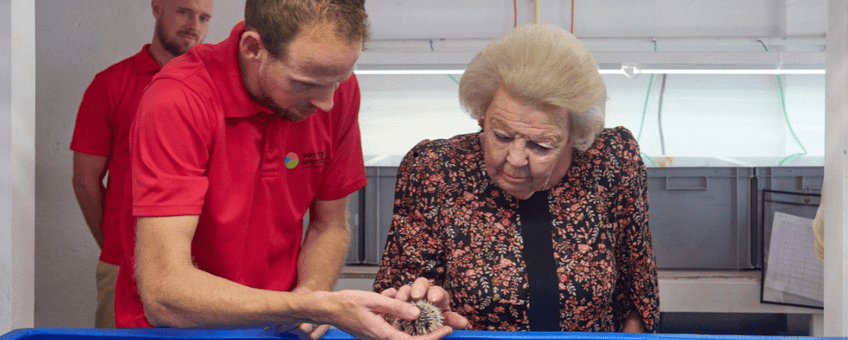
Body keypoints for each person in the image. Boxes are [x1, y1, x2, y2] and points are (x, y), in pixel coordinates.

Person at [115, 0, 467, 338]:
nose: (327, 102)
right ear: (253, 48)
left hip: (280, 325)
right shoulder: (178, 99)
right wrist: (315, 308)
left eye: (339, 80)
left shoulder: (334, 90)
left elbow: (330, 223)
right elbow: (165, 294)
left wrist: (312, 293)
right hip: (176, 331)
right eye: (306, 83)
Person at [374, 24, 660, 332]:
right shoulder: (434, 169)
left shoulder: (612, 160)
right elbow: (397, 305)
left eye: (540, 145)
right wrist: (418, 305)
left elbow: (638, 295)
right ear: (482, 117)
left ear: (572, 137)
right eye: (501, 136)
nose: (515, 159)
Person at [70, 0, 212, 328]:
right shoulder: (110, 84)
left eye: (204, 17)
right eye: (184, 11)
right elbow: (84, 180)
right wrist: (115, 245)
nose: (195, 25)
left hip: (203, 271)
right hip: (123, 266)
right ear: (157, 8)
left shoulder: (211, 89)